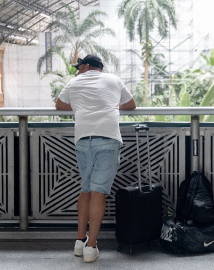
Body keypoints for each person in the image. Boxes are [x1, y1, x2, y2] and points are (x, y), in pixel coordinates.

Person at [55, 54, 136, 263]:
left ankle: (79, 242)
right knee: (98, 192)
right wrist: (109, 106)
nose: (77, 71)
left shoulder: (74, 82)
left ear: (87, 66)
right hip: (108, 138)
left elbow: (60, 105)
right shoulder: (113, 80)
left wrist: (80, 106)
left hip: (83, 139)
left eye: (78, 67)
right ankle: (91, 247)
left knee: (86, 189)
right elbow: (130, 105)